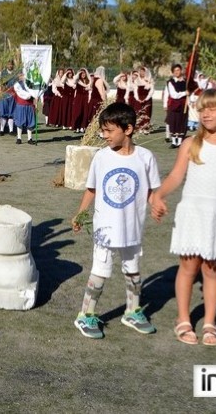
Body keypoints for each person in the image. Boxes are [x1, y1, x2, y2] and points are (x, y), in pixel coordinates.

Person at [150, 88, 216, 346]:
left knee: (212, 270)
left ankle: (209, 322)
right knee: (188, 268)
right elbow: (176, 176)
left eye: (212, 108)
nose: (206, 114)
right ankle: (183, 319)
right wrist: (158, 195)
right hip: (193, 214)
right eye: (202, 108)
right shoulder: (190, 144)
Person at [71, 102, 161, 339]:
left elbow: (152, 190)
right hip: (106, 229)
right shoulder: (101, 157)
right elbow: (91, 189)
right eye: (103, 130)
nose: (104, 135)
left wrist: (157, 204)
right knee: (100, 270)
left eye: (109, 131)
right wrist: (80, 214)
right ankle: (85, 315)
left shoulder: (146, 157)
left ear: (128, 129)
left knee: (133, 271)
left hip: (132, 228)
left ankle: (132, 311)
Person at [165, 63, 189, 148]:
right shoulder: (170, 82)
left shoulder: (186, 82)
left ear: (181, 71)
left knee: (181, 122)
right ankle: (174, 142)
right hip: (174, 105)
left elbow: (191, 92)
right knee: (174, 122)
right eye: (175, 70)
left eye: (178, 70)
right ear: (172, 72)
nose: (176, 72)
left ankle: (179, 142)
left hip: (184, 105)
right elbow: (173, 95)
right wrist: (184, 93)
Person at [12, 71, 37, 145]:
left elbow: (35, 91)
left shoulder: (29, 84)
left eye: (23, 75)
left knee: (30, 122)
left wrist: (35, 97)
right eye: (20, 75)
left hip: (29, 105)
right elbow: (22, 94)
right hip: (21, 105)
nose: (22, 76)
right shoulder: (17, 85)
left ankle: (30, 138)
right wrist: (30, 94)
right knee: (20, 122)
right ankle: (19, 138)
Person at [0, 61, 16, 135]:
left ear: (13, 65)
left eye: (11, 64)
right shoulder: (2, 73)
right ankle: (2, 130)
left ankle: (11, 130)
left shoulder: (15, 73)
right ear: (6, 65)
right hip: (4, 94)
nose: (10, 65)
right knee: (3, 112)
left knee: (11, 112)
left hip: (13, 94)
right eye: (9, 64)